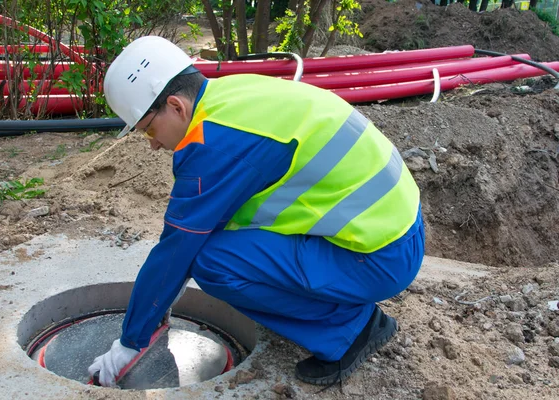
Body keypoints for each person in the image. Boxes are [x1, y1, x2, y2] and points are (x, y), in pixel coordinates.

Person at [88, 36, 425, 388]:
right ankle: (319, 308)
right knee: (219, 238)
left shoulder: (212, 143)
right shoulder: (229, 96)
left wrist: (131, 341)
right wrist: (159, 301)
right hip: (394, 230)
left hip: (379, 258)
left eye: (149, 130)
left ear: (175, 105)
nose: (154, 143)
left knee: (212, 263)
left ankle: (350, 331)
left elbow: (177, 249)